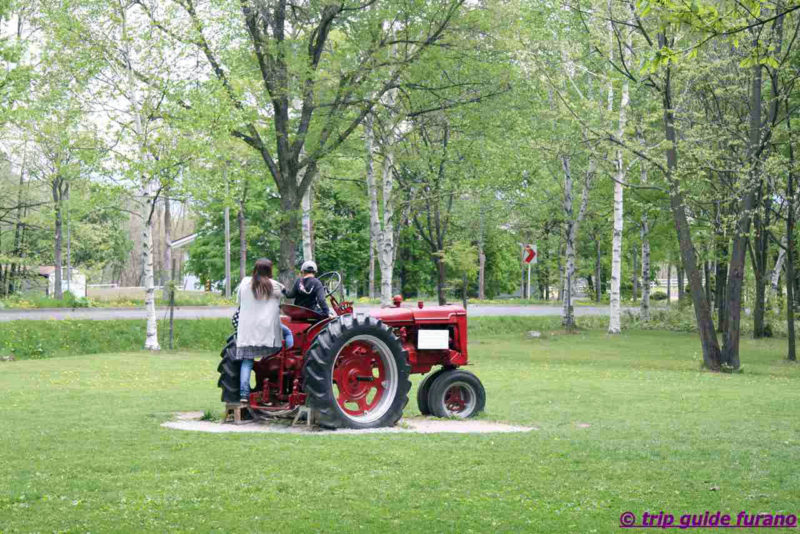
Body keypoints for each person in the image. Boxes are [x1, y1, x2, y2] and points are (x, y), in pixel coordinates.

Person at [234, 258, 284, 403]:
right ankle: (275, 387)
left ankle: (244, 394)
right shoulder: (273, 286)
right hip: (266, 330)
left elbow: (238, 300)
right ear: (269, 270)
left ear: (255, 269)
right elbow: (285, 293)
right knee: (287, 340)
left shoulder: (244, 284)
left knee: (247, 361)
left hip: (246, 330)